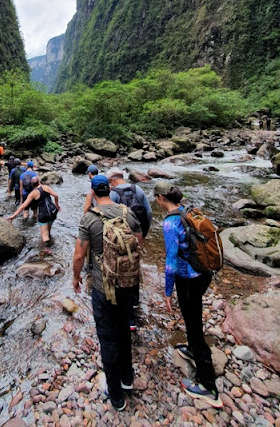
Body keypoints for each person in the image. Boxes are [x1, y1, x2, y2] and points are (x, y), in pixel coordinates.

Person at [73, 175, 143, 411]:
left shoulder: (90, 219)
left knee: (108, 338)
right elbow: (139, 244)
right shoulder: (127, 213)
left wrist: (75, 277)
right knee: (124, 330)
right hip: (128, 285)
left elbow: (79, 255)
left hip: (104, 290)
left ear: (93, 192)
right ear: (109, 190)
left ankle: (116, 396)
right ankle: (127, 378)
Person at [154, 180, 223, 409]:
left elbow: (171, 261)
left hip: (188, 279)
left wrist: (167, 292)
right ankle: (193, 350)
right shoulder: (188, 211)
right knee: (193, 316)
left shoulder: (171, 223)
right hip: (203, 273)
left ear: (160, 198)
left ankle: (208, 387)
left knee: (193, 325)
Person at [107, 167, 153, 331]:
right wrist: (143, 235)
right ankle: (135, 301)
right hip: (138, 235)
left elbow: (110, 219)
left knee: (122, 270)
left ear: (112, 180)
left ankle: (126, 314)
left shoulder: (113, 194)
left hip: (121, 239)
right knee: (135, 268)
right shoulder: (138, 188)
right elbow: (148, 212)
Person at [6, 176, 60, 247]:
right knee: (48, 231)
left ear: (32, 185)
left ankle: (47, 251)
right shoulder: (46, 187)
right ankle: (51, 243)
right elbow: (56, 196)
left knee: (44, 235)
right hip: (53, 211)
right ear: (39, 182)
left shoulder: (33, 193)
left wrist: (13, 216)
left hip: (43, 214)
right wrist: (57, 206)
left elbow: (23, 206)